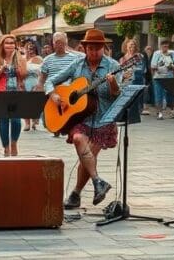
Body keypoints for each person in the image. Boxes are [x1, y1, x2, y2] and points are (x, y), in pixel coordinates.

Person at [44, 29, 121, 210]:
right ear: (84, 48)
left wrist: (113, 84)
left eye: (98, 49)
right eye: (91, 49)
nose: (94, 52)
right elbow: (50, 81)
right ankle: (97, 182)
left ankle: (76, 194)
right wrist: (54, 95)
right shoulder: (77, 64)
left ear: (104, 48)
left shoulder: (113, 66)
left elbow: (117, 94)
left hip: (103, 118)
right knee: (79, 140)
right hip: (82, 118)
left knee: (89, 157)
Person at [0, 34, 27, 156]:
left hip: (16, 92)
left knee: (16, 121)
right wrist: (1, 69)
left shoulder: (20, 57)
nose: (10, 45)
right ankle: (6, 147)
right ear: (2, 45)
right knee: (3, 121)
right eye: (7, 43)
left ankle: (14, 143)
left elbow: (24, 75)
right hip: (1, 93)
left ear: (15, 45)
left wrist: (17, 67)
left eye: (12, 43)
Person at [151, 40, 174, 119]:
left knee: (170, 94)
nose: (165, 48)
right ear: (160, 47)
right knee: (158, 95)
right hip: (158, 77)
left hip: (169, 77)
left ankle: (171, 111)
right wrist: (154, 75)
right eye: (163, 46)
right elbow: (153, 66)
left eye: (167, 46)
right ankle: (159, 112)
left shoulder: (173, 53)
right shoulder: (157, 53)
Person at [120, 38, 148, 115]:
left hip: (138, 79)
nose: (132, 47)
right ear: (126, 46)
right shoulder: (123, 59)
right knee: (129, 97)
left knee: (138, 97)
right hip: (128, 81)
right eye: (130, 45)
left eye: (133, 45)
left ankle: (138, 111)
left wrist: (133, 70)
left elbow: (143, 69)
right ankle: (129, 112)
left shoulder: (140, 56)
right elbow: (121, 71)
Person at [23, 41, 43, 131]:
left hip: (35, 82)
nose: (29, 50)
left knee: (34, 103)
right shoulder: (22, 59)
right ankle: (27, 123)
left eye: (31, 48)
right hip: (24, 82)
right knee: (24, 103)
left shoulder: (39, 58)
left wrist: (40, 84)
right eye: (28, 48)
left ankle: (35, 120)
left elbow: (43, 72)